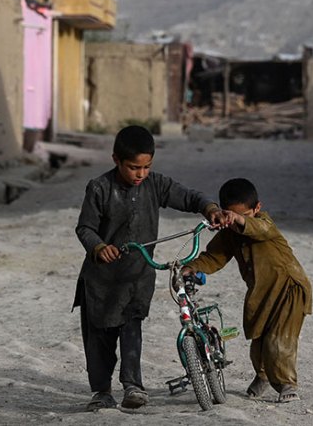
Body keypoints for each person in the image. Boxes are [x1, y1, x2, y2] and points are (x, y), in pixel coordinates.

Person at [74, 125, 230, 411]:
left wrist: (209, 208)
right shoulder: (99, 188)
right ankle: (102, 391)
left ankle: (133, 386)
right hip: (101, 280)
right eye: (134, 168)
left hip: (137, 275)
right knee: (101, 337)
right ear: (115, 160)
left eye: (146, 167)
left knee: (132, 328)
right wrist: (99, 247)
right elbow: (85, 227)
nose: (140, 174)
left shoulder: (155, 185)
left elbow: (189, 196)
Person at [184, 178, 312, 403]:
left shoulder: (264, 222)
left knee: (279, 342)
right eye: (230, 217)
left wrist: (240, 219)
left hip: (289, 289)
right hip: (262, 294)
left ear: (257, 208)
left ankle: (286, 383)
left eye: (243, 215)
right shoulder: (229, 234)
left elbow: (259, 229)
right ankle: (263, 376)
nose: (235, 224)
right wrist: (192, 267)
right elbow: (214, 257)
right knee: (258, 341)